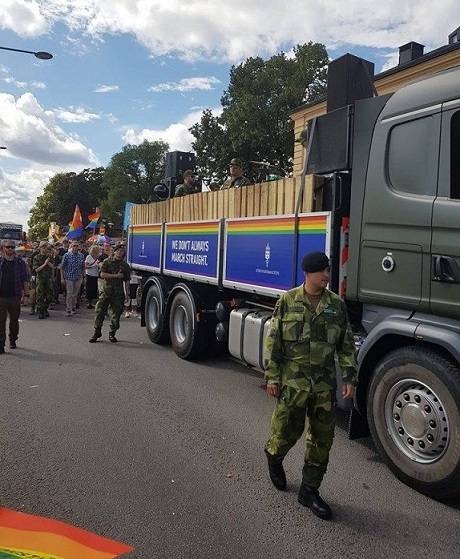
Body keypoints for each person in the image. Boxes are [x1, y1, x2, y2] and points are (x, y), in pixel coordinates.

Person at [264, 251, 357, 520]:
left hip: (323, 388)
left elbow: (346, 345)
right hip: (293, 385)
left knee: (321, 440)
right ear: (309, 273)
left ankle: (309, 491)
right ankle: (273, 457)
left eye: (328, 270)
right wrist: (272, 376)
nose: (327, 275)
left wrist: (350, 377)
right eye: (322, 271)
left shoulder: (335, 306)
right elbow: (274, 343)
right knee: (285, 433)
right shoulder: (288, 301)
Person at [89, 244, 130, 343]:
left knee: (116, 314)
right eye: (118, 251)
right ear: (114, 251)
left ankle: (112, 333)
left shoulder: (125, 265)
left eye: (122, 251)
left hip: (118, 293)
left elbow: (127, 280)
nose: (120, 253)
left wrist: (127, 294)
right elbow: (102, 274)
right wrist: (116, 276)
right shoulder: (107, 262)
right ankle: (97, 332)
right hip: (106, 291)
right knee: (100, 312)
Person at [0, 240, 29, 353]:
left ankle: (13, 339)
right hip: (1, 297)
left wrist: (26, 295)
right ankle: (1, 343)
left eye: (12, 247)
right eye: (8, 247)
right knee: (1, 322)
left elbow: (25, 279)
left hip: (15, 297)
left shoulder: (20, 263)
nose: (10, 249)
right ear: (3, 248)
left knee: (14, 321)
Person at [61, 240, 85, 317]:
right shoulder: (67, 255)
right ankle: (68, 309)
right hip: (69, 277)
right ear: (71, 246)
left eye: (77, 246)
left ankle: (73, 308)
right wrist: (62, 278)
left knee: (75, 294)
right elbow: (62, 267)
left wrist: (84, 276)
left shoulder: (81, 255)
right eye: (74, 246)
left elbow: (82, 267)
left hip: (78, 277)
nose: (75, 247)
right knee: (69, 293)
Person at [32, 241, 54, 319]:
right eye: (43, 247)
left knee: (49, 296)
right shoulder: (36, 257)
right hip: (40, 278)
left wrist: (48, 263)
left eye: (46, 247)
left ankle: (45, 308)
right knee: (40, 296)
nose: (45, 249)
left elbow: (53, 266)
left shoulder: (49, 256)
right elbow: (37, 270)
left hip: (48, 278)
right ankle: (41, 311)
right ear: (40, 248)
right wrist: (45, 264)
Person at [85, 244, 100, 309]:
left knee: (95, 288)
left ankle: (94, 302)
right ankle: (89, 302)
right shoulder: (89, 257)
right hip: (89, 275)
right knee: (89, 289)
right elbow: (86, 266)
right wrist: (93, 266)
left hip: (96, 275)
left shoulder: (98, 257)